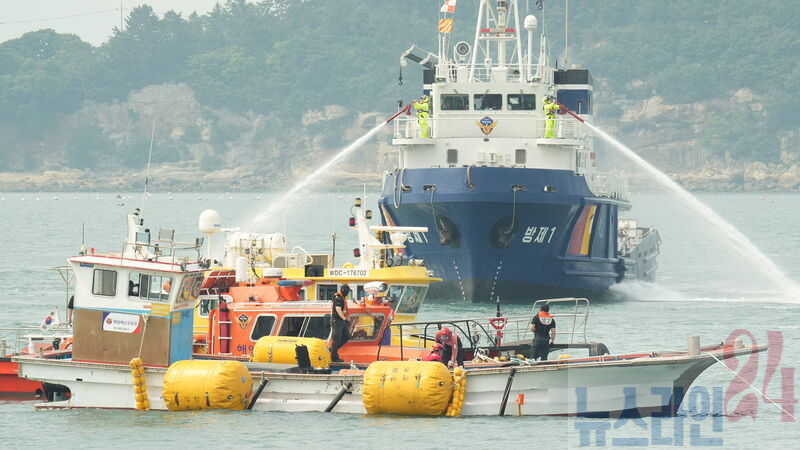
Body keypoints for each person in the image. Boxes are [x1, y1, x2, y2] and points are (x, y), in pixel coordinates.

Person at [329, 284, 351, 362]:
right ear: (343, 290)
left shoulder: (342, 298)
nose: (348, 293)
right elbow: (338, 309)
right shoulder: (338, 299)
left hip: (341, 321)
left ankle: (332, 349)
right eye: (347, 291)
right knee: (336, 340)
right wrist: (345, 319)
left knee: (347, 336)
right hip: (336, 321)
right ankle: (334, 357)